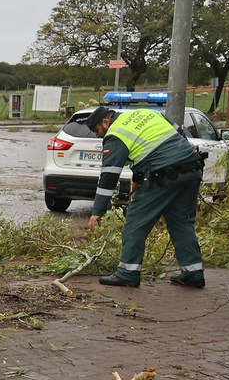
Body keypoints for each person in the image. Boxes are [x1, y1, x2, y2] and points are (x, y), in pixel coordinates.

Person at [85, 105, 207, 289]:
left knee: (135, 223)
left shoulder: (115, 134)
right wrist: (138, 176)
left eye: (97, 131)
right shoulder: (146, 113)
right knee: (182, 222)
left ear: (105, 121)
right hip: (192, 167)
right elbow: (178, 133)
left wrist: (98, 211)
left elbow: (109, 175)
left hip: (163, 176)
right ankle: (193, 273)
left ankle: (127, 273)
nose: (98, 136)